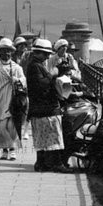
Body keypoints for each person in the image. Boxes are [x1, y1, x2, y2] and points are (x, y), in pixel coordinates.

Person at [27, 38, 72, 173]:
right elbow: (41, 85)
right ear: (38, 53)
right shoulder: (35, 66)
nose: (47, 56)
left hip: (39, 108)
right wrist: (53, 73)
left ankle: (41, 163)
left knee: (42, 138)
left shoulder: (35, 65)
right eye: (45, 54)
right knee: (54, 136)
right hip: (46, 108)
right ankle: (56, 163)